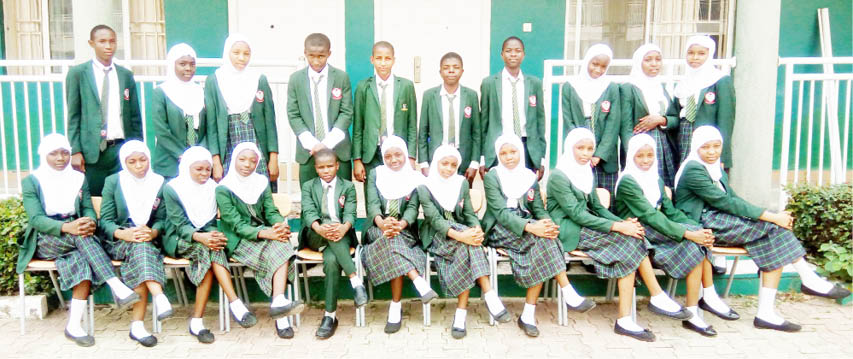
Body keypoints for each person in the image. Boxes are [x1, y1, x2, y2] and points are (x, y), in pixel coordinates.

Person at [674, 126, 851, 332]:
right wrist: (772, 216)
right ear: (696, 148)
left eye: (716, 146)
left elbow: (732, 198)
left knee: (775, 236)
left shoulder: (714, 167)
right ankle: (807, 279)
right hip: (703, 223)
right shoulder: (694, 169)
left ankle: (768, 312)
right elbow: (724, 202)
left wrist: (769, 216)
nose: (712, 151)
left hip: (720, 218)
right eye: (706, 147)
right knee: (775, 228)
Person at [547, 128, 690, 342]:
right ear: (569, 148)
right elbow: (577, 214)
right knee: (631, 239)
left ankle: (628, 317)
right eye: (580, 148)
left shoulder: (587, 171)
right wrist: (617, 228)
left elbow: (597, 207)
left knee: (633, 238)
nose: (585, 154)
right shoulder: (559, 176)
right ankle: (654, 298)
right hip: (569, 229)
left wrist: (621, 222)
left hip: (588, 224)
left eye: (589, 149)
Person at [17, 134, 140, 347]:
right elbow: (36, 219)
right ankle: (115, 284)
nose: (60, 158)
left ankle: (73, 326)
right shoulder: (32, 181)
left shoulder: (77, 178)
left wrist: (90, 221)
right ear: (43, 155)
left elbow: (87, 209)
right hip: (48, 237)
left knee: (80, 261)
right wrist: (67, 227)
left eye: (65, 152)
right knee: (82, 238)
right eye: (53, 153)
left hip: (76, 234)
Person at [613, 134, 731, 337]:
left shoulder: (655, 178)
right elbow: (649, 215)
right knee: (692, 242)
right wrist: (688, 233)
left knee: (697, 245)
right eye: (640, 156)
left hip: (657, 229)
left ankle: (694, 311)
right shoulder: (627, 182)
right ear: (631, 156)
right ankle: (695, 297)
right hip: (637, 231)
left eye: (650, 155)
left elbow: (669, 211)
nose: (646, 160)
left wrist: (696, 229)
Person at [482, 134, 595, 337]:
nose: (509, 157)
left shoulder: (529, 176)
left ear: (520, 152)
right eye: (503, 153)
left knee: (546, 240)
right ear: (498, 155)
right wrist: (532, 227)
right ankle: (565, 291)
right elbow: (499, 212)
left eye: (513, 152)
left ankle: (528, 315)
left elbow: (537, 208)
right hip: (501, 227)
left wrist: (547, 222)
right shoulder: (492, 176)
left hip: (529, 225)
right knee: (544, 240)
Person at [163, 146, 255, 344]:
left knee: (212, 248)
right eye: (199, 169)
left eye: (208, 169)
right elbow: (179, 225)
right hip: (179, 239)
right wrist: (202, 237)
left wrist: (211, 234)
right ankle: (235, 303)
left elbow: (212, 221)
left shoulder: (213, 188)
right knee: (209, 249)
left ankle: (197, 322)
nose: (205, 174)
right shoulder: (173, 188)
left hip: (206, 240)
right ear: (187, 167)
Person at [418, 144, 511, 339]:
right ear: (436, 163)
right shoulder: (424, 186)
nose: (448, 169)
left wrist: (476, 228)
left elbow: (468, 213)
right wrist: (464, 235)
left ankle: (461, 315)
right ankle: (489, 294)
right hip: (436, 236)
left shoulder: (461, 183)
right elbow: (435, 220)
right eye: (444, 164)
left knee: (466, 248)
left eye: (453, 165)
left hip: (462, 239)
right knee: (467, 243)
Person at [216, 142, 304, 339]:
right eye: (242, 159)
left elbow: (270, 211)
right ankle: (280, 310)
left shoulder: (261, 182)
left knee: (282, 242)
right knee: (278, 246)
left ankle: (278, 302)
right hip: (239, 240)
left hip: (264, 234)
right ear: (234, 160)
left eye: (253, 161)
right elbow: (236, 225)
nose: (247, 164)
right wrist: (266, 233)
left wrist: (279, 224)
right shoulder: (223, 188)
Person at [99, 140, 174, 347]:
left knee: (141, 251)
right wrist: (124, 234)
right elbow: (105, 220)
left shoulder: (159, 182)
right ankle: (159, 296)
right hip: (121, 240)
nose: (139, 166)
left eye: (143, 160)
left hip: (148, 240)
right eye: (132, 162)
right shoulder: (114, 182)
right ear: (124, 162)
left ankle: (138, 326)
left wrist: (153, 231)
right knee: (140, 251)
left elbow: (162, 217)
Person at [361, 136, 437, 334]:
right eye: (387, 156)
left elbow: (412, 208)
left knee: (393, 242)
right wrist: (382, 223)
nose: (393, 160)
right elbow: (372, 204)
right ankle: (417, 280)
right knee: (389, 238)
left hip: (404, 230)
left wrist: (399, 225)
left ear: (405, 154)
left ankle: (395, 306)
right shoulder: (375, 174)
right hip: (377, 228)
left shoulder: (413, 178)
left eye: (398, 155)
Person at [299, 148, 369, 339]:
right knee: (329, 226)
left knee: (331, 261)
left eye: (330, 166)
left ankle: (329, 316)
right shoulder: (308, 186)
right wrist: (320, 227)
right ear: (315, 168)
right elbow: (308, 210)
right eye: (321, 167)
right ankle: (356, 281)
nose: (326, 170)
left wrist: (344, 228)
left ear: (337, 166)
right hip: (316, 234)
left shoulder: (347, 186)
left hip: (342, 234)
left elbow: (350, 212)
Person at [66, 24, 142, 196]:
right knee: (94, 199)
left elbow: (135, 116)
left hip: (121, 148)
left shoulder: (125, 75)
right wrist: (75, 150)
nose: (108, 46)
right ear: (91, 43)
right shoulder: (78, 74)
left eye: (112, 41)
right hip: (92, 151)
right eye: (102, 41)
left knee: (122, 198)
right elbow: (73, 116)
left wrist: (137, 147)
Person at [205, 34, 279, 188]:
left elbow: (270, 121)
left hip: (255, 137)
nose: (241, 58)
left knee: (260, 185)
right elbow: (211, 125)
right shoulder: (215, 80)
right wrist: (216, 161)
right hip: (229, 140)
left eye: (246, 54)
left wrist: (273, 158)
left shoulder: (259, 79)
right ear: (227, 53)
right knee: (231, 188)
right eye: (236, 53)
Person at [287, 33, 354, 184]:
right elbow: (293, 114)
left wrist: (327, 143)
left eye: (321, 56)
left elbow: (346, 112)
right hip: (308, 151)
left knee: (341, 199)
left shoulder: (341, 77)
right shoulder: (296, 79)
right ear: (305, 53)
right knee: (310, 199)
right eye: (311, 56)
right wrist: (313, 144)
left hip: (337, 149)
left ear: (329, 54)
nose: (316, 61)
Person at [480, 36, 546, 180]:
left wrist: (541, 158)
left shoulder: (534, 83)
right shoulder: (489, 83)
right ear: (502, 54)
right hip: (500, 145)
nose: (513, 54)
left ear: (523, 54)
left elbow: (540, 122)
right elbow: (483, 123)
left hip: (526, 146)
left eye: (517, 51)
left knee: (526, 193)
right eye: (509, 51)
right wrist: (483, 158)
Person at [352, 41, 418, 182]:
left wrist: (412, 156)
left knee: (398, 195)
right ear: (372, 59)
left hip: (398, 152)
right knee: (373, 197)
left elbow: (412, 125)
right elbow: (358, 126)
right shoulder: (363, 87)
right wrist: (357, 159)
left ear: (393, 60)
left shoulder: (406, 86)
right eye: (379, 58)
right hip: (372, 152)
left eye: (387, 59)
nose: (383, 63)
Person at [561, 44, 621, 194]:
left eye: (603, 67)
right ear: (587, 60)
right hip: (579, 145)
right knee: (581, 192)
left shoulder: (611, 87)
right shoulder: (570, 86)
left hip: (605, 150)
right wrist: (580, 150)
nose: (598, 70)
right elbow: (569, 121)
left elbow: (613, 124)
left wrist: (599, 154)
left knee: (606, 195)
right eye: (595, 64)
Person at [666, 35, 734, 169]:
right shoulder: (683, 83)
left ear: (710, 55)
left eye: (701, 53)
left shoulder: (719, 80)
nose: (695, 57)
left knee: (706, 175)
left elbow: (726, 120)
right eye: (690, 53)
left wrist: (722, 156)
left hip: (708, 140)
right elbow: (675, 114)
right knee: (686, 172)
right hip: (685, 134)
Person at [417, 52, 481, 185]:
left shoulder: (471, 96)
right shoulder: (429, 96)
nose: (451, 71)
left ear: (462, 71)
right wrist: (423, 163)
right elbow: (422, 132)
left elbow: (476, 133)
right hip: (437, 159)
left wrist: (474, 163)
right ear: (440, 72)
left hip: (463, 161)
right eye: (446, 67)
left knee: (462, 201)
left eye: (455, 67)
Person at [620, 44, 678, 187]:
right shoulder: (628, 87)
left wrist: (661, 120)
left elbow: (675, 118)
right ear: (639, 62)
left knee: (664, 184)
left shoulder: (660, 87)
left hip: (663, 145)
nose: (654, 64)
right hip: (641, 147)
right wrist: (631, 153)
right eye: (648, 60)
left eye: (658, 59)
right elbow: (625, 126)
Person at [152, 43, 207, 179]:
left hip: (199, 164)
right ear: (172, 64)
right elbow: (162, 131)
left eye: (192, 64)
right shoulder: (161, 92)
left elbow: (208, 128)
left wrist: (199, 153)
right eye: (182, 64)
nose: (188, 68)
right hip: (170, 163)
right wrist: (182, 155)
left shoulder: (201, 91)